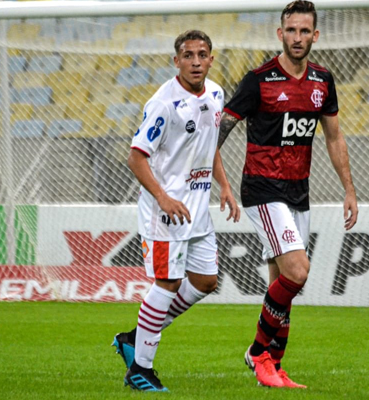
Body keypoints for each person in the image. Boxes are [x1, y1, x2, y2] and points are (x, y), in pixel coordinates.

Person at [216, 0, 358, 388]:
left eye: (304, 31)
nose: (297, 38)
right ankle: (258, 352)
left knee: (283, 282)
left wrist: (349, 189)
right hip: (262, 188)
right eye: (290, 30)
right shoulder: (258, 80)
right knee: (298, 271)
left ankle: (273, 367)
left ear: (315, 35)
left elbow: (334, 137)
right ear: (280, 34)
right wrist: (221, 184)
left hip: (299, 192)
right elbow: (218, 132)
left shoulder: (322, 81)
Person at [118, 29, 240, 393]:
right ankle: (140, 367)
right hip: (165, 212)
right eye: (188, 55)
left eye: (203, 54)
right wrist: (162, 197)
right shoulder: (164, 103)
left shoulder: (216, 94)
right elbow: (136, 158)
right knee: (168, 283)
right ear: (177, 61)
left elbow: (209, 143)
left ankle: (134, 338)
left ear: (211, 59)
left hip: (198, 208)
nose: (196, 61)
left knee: (205, 282)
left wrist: (225, 184)